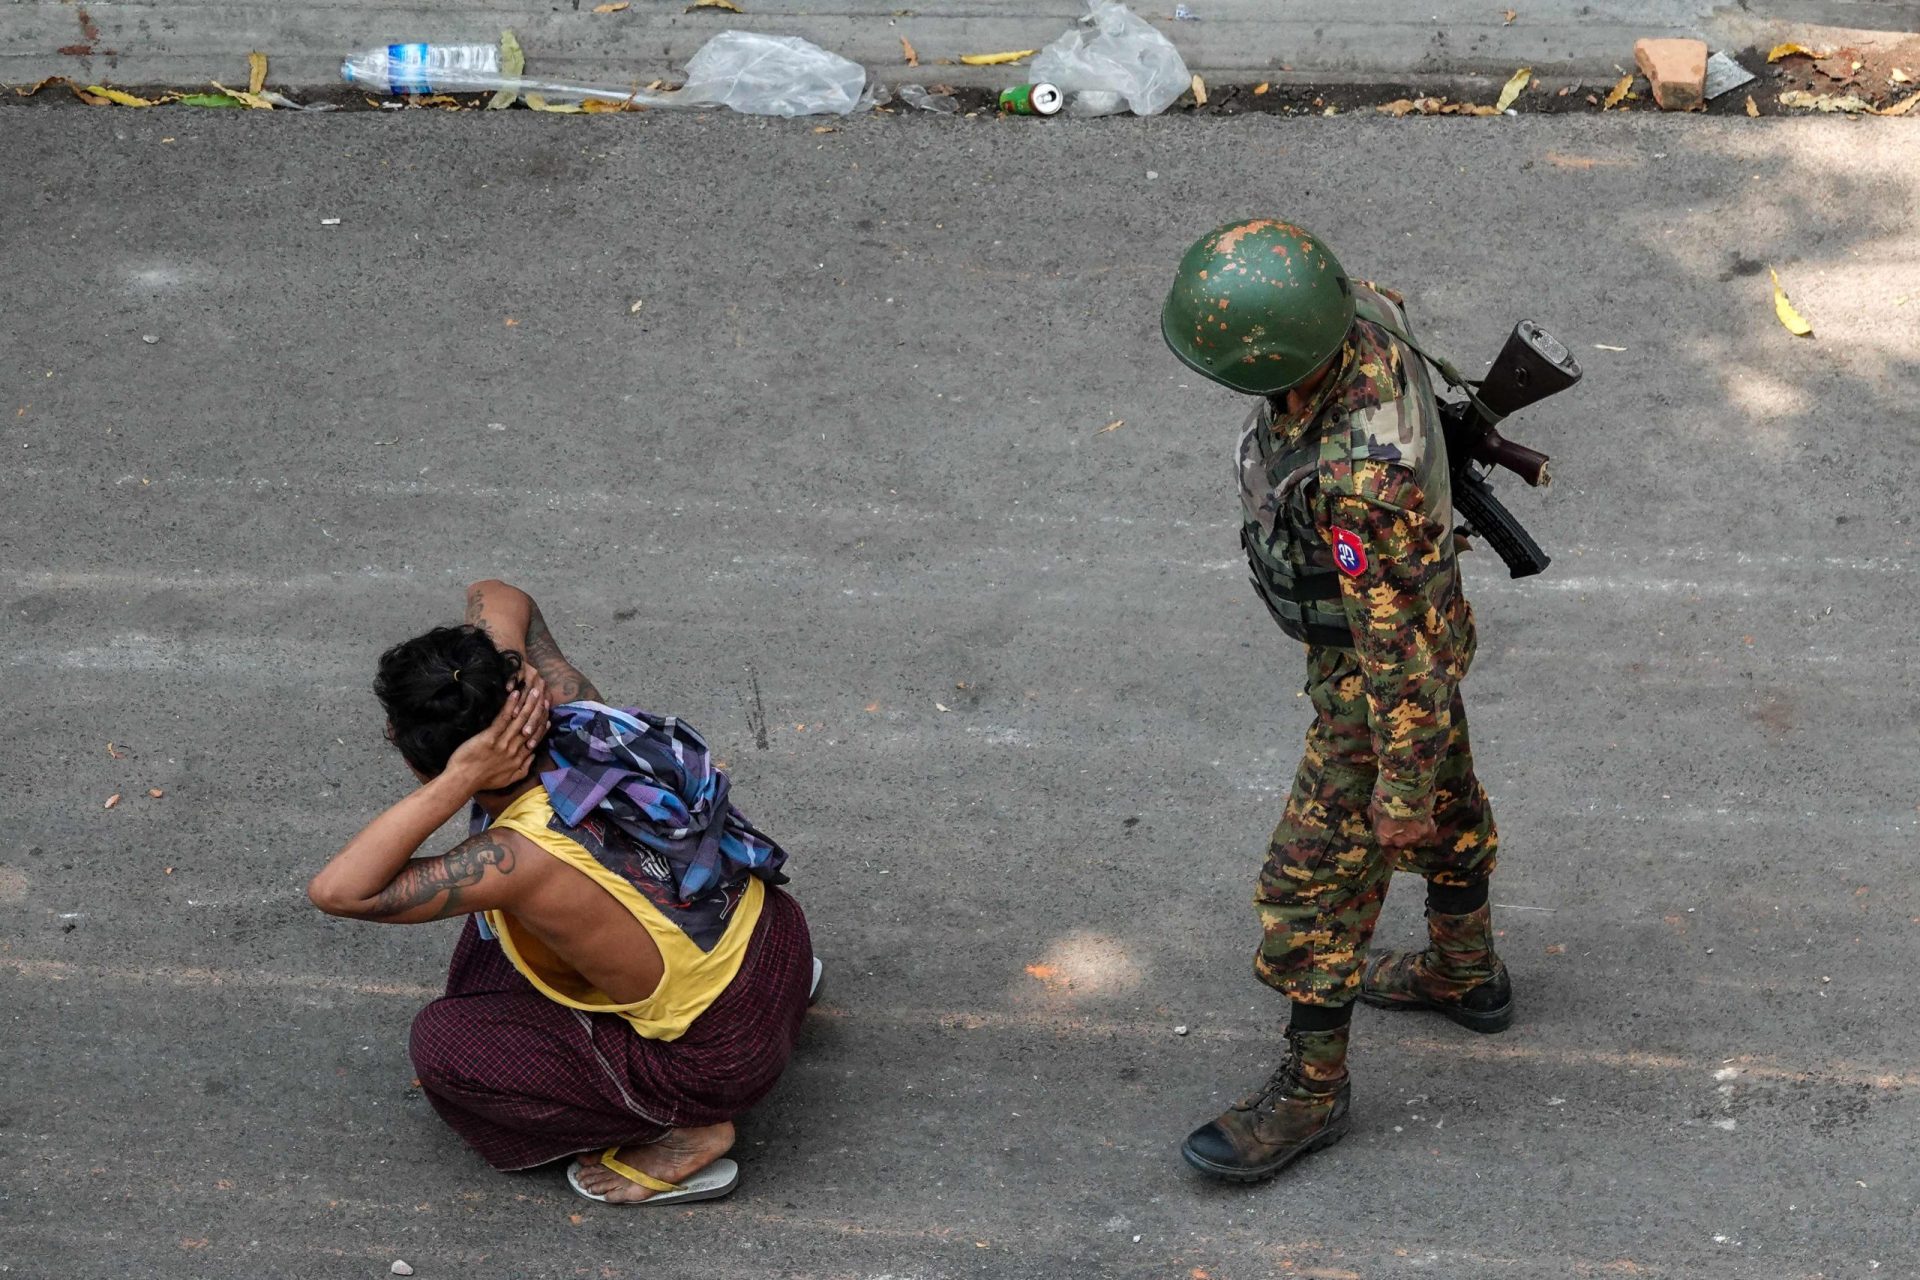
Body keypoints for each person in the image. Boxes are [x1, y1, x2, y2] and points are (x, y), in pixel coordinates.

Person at [1160, 220, 1513, 1182]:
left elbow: (1396, 657)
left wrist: (1395, 787)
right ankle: (1464, 970)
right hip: (1418, 633)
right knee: (1448, 794)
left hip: (1380, 677)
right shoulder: (1354, 310)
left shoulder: (1363, 487)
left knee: (1310, 889)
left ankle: (1311, 1095)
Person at [308, 580, 817, 1206]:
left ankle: (689, 1132)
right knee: (495, 933)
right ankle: (778, 1000)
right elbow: (496, 592)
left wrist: (461, 778)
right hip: (779, 942)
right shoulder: (584, 717)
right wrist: (510, 674)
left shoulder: (518, 859)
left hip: (726, 1056)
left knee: (446, 1043)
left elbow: (340, 891)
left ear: (424, 760)